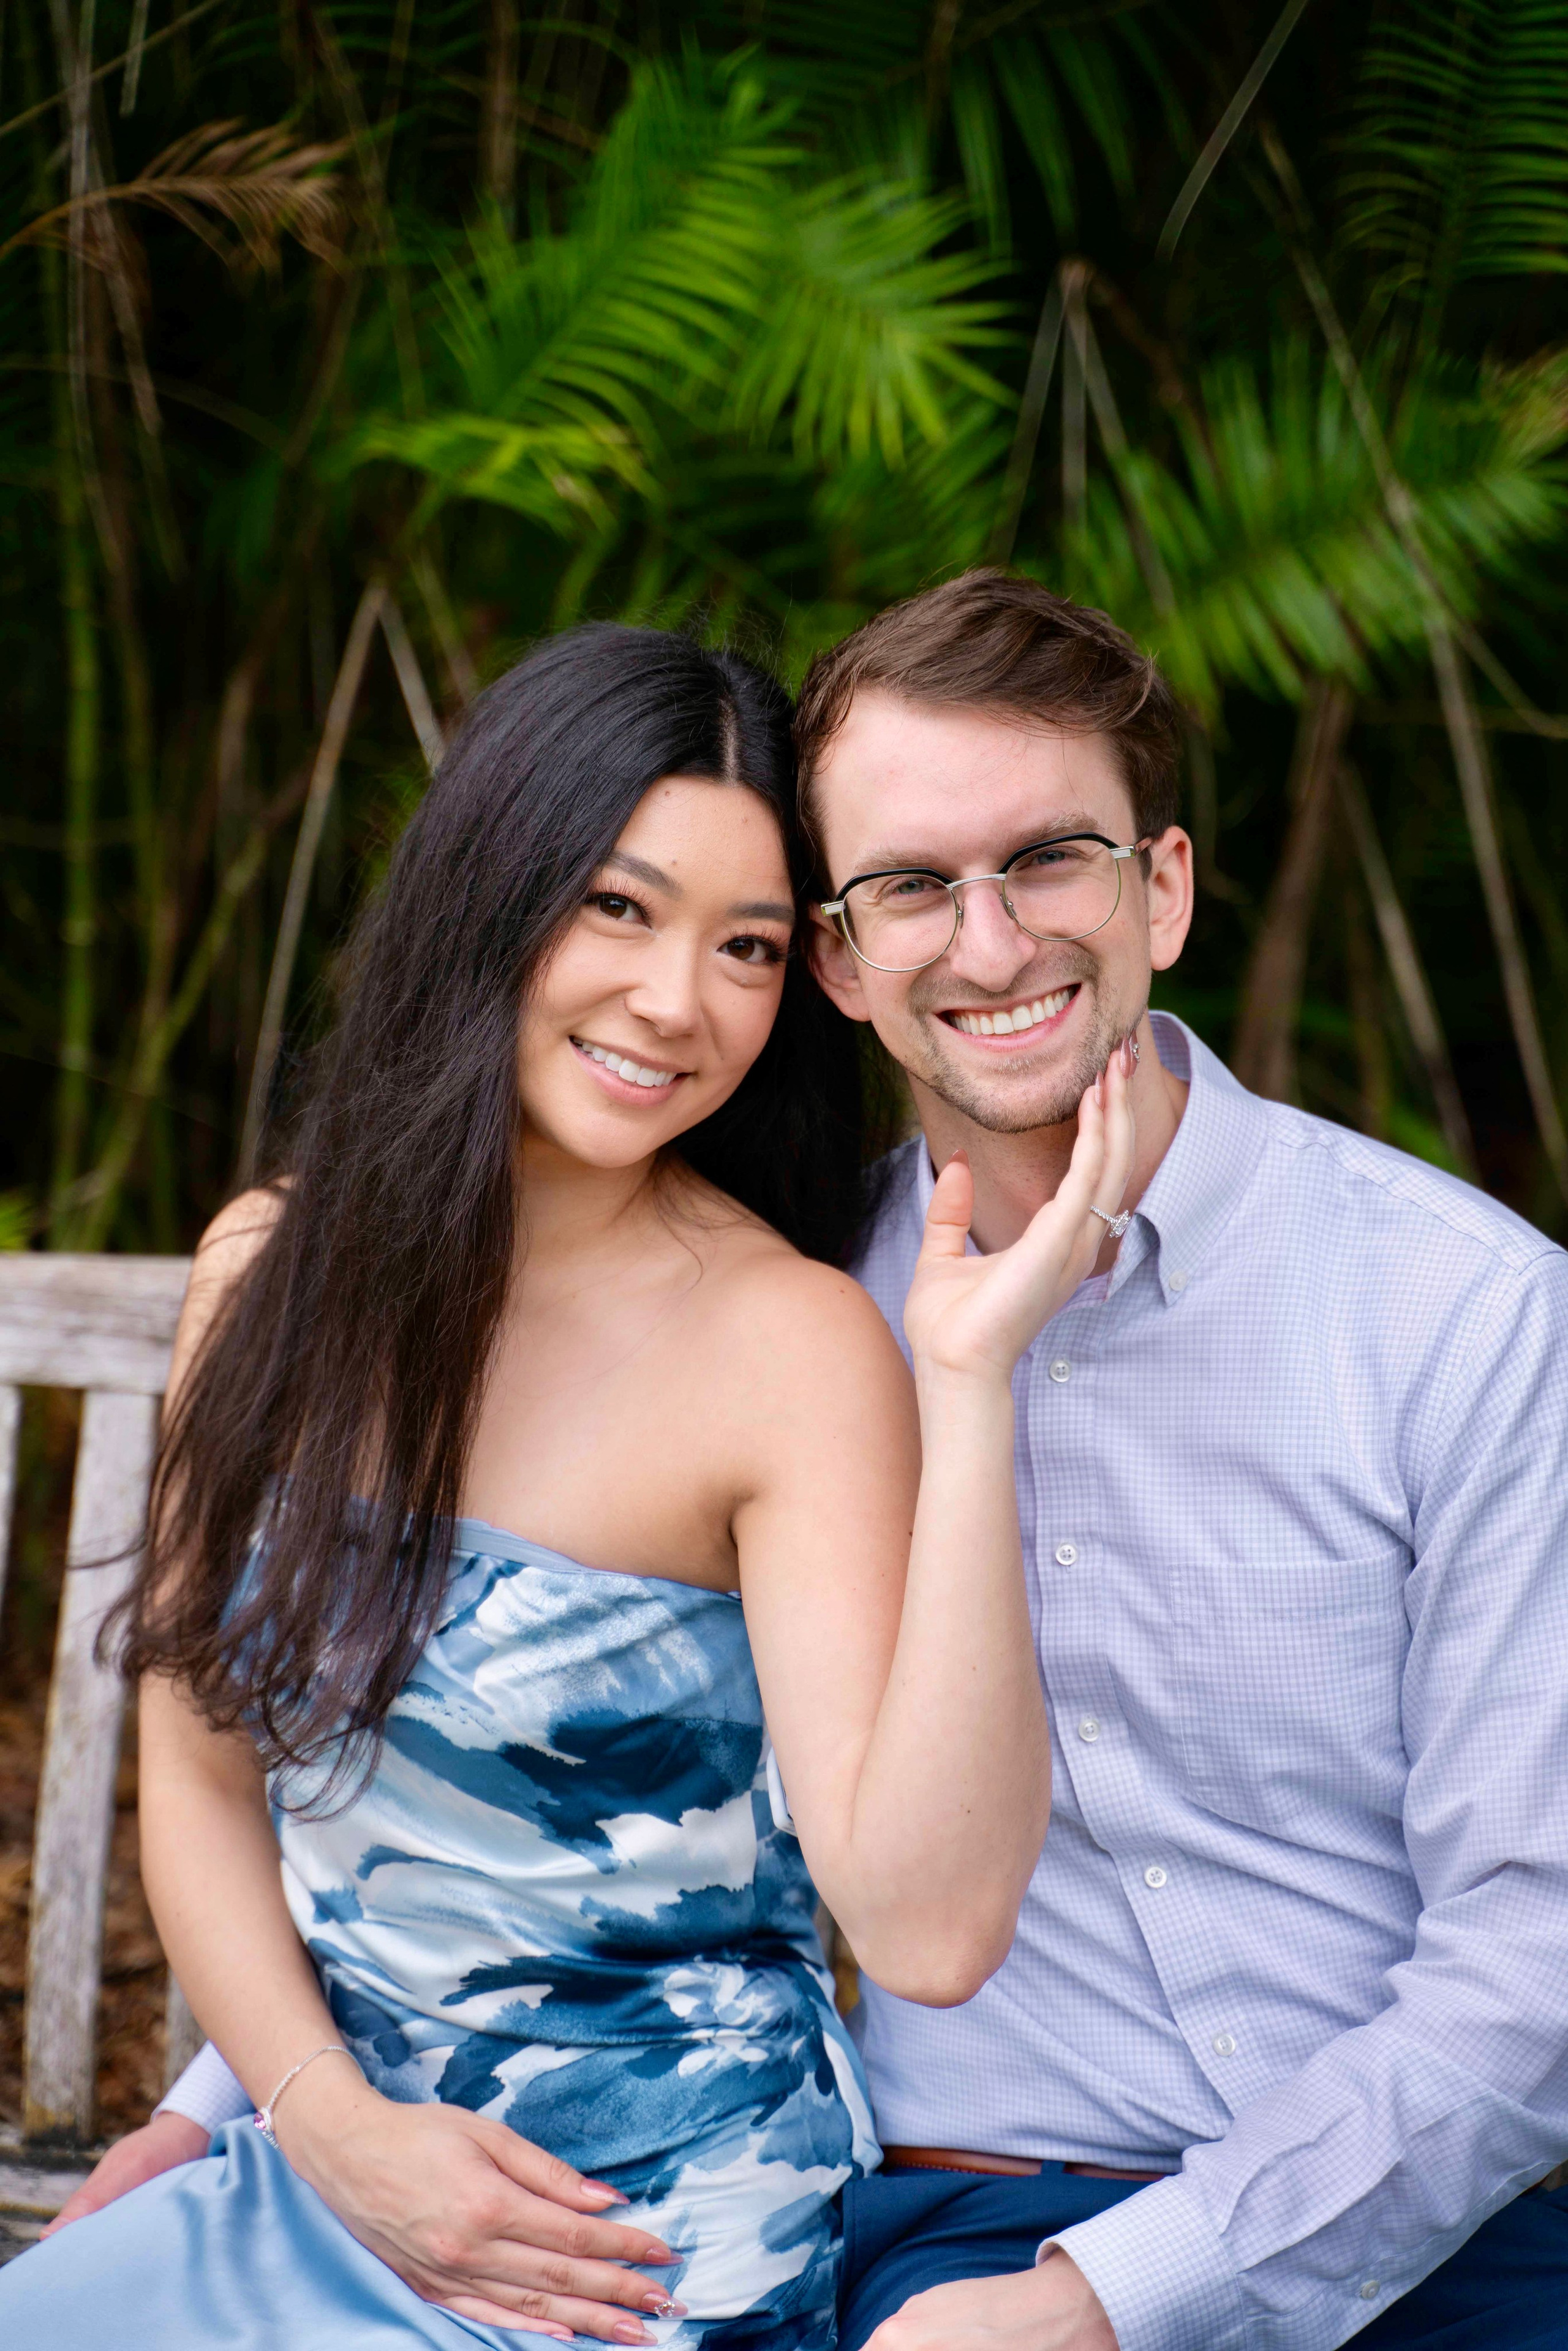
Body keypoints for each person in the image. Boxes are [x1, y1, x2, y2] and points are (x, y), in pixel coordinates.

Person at [49, 566, 1568, 2351]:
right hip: (972, 2210)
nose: (989, 944)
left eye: (1050, 860)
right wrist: (262, 2103)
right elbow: (447, 1793)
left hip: (1419, 2217)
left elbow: (1532, 1956)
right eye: (914, 885)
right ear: (854, 958)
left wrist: (1112, 2302)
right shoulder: (790, 1286)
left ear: (1161, 886)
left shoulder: (1459, 1314)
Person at [0, 619, 1137, 2348]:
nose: (678, 1002)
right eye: (618, 906)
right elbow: (205, 1787)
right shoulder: (272, 1273)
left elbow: (927, 1922)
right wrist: (326, 2124)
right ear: (489, 891)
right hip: (341, 2162)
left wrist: (965, 1391)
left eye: (749, 945)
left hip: (632, 2235)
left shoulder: (789, 1346)